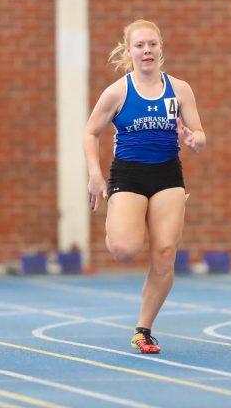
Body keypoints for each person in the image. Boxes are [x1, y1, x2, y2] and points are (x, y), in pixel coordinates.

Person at [83, 19, 205, 354]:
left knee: (165, 253)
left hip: (167, 175)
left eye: (152, 44)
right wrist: (94, 174)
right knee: (124, 250)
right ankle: (117, 225)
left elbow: (200, 133)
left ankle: (144, 329)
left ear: (161, 47)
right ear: (129, 51)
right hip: (129, 175)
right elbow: (90, 132)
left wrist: (194, 140)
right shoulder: (118, 91)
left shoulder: (179, 89)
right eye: (139, 45)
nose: (146, 51)